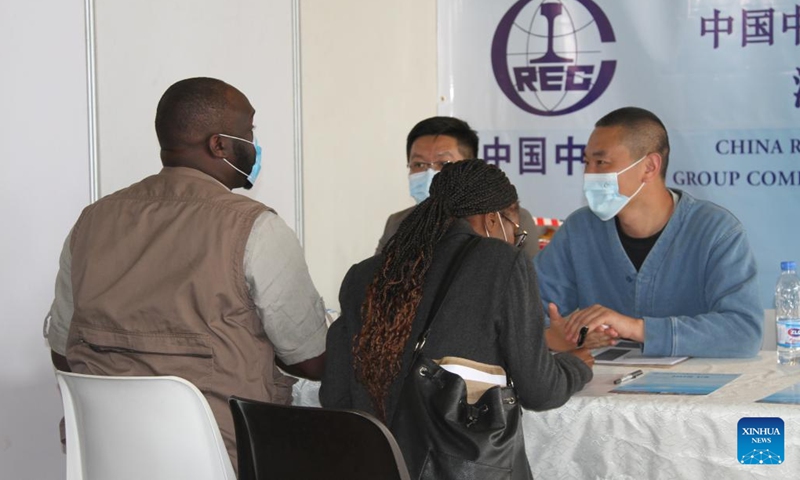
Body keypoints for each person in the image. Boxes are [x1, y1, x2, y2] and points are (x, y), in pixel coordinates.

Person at [43, 77, 327, 466]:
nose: (254, 145)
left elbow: (62, 350)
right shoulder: (253, 228)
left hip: (110, 457)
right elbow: (310, 361)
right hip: (223, 458)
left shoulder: (91, 222)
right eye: (249, 132)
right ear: (219, 144)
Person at [321, 159, 593, 478]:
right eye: (515, 231)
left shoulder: (363, 275)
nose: (515, 241)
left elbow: (335, 395)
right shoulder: (501, 262)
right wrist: (576, 365)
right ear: (492, 219)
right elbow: (540, 390)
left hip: (373, 465)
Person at [535, 106, 762, 357]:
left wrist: (636, 329)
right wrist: (556, 337)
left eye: (601, 163)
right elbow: (526, 313)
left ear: (650, 167)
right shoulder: (579, 230)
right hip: (601, 392)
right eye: (586, 163)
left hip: (693, 391)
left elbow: (744, 332)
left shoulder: (716, 231)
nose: (589, 174)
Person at [376, 116, 544, 258]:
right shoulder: (398, 223)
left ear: (470, 166)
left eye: (444, 163)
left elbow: (527, 286)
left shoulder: (509, 220)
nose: (430, 173)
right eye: (419, 164)